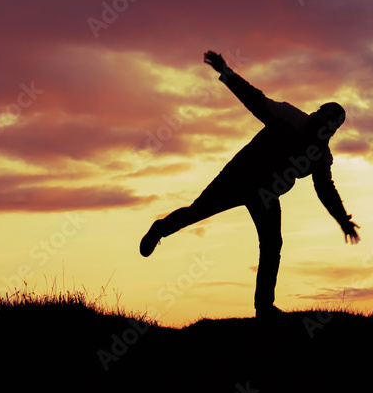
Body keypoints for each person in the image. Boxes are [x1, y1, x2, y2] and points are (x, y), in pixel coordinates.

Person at [140, 50, 360, 318]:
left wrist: (343, 219)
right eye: (323, 117)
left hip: (266, 195)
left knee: (272, 245)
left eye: (332, 125)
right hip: (239, 176)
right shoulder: (289, 116)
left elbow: (326, 190)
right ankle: (159, 230)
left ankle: (264, 307)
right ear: (315, 113)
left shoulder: (321, 156)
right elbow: (255, 101)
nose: (324, 125)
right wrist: (227, 73)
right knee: (197, 212)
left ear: (333, 131)